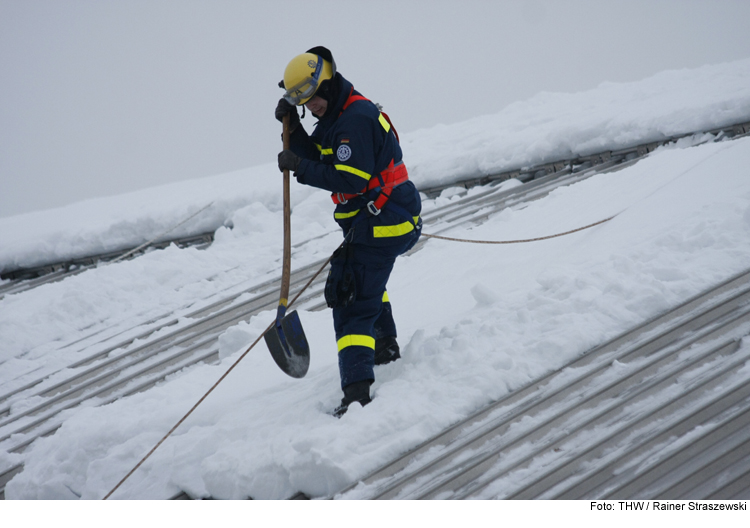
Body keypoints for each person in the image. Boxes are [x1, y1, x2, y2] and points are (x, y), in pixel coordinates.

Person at [275, 46, 422, 417]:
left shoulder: (355, 118)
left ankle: (357, 395)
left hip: (386, 219)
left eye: (314, 99)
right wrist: (293, 130)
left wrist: (300, 168)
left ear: (327, 85)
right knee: (366, 280)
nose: (313, 108)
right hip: (379, 220)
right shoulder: (339, 117)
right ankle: (385, 348)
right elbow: (324, 155)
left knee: (350, 299)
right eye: (304, 104)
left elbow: (349, 179)